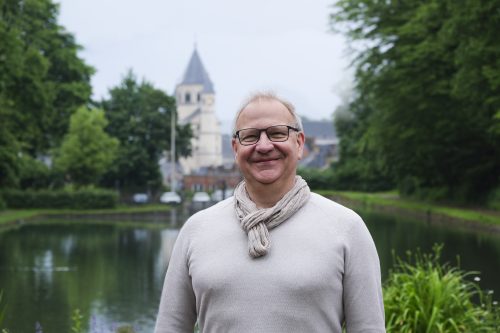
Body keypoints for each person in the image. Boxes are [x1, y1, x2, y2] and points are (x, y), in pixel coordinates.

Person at [154, 92, 385, 332]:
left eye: (277, 133)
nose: (264, 146)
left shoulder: (347, 228)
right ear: (235, 148)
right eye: (251, 136)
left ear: (299, 143)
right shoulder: (196, 230)